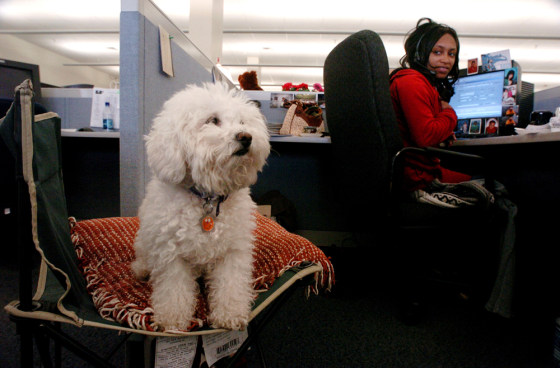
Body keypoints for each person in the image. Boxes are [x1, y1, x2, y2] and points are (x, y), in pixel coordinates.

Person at [389, 17, 471, 192]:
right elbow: (425, 136)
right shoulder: (412, 82)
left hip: (417, 172)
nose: (446, 60)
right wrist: (450, 114)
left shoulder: (421, 83)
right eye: (437, 52)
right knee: (497, 182)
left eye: (451, 54)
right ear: (419, 54)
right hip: (418, 180)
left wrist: (443, 131)